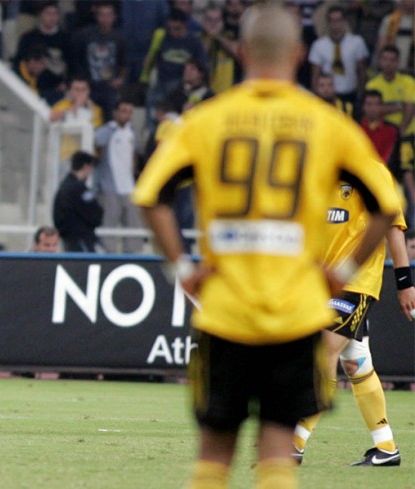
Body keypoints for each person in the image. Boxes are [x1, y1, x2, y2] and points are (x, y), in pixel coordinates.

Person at [131, 5, 399, 488]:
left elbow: (151, 196)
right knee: (277, 449)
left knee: (215, 451)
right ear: (299, 54)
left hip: (226, 309)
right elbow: (387, 204)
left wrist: (181, 266)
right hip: (296, 312)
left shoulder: (206, 119)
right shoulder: (328, 124)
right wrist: (343, 272)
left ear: (239, 52)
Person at [292, 163, 413, 467]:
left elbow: (393, 227)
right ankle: (386, 448)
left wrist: (405, 283)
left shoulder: (371, 171)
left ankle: (294, 444)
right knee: (355, 362)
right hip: (323, 284)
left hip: (357, 282)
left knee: (324, 351)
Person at [94, 100, 142, 254]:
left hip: (129, 186)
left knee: (133, 224)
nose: (126, 115)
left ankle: (134, 254)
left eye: (129, 111)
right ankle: (109, 254)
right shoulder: (108, 130)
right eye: (123, 111)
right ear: (115, 113)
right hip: (110, 185)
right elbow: (96, 142)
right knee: (109, 223)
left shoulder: (132, 132)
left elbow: (136, 153)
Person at [69, 1, 127, 116]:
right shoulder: (84, 36)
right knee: (87, 117)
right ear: (96, 16)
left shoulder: (120, 38)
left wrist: (120, 78)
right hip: (89, 88)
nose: (105, 19)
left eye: (108, 15)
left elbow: (124, 62)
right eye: (102, 14)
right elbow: (76, 61)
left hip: (109, 89)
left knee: (110, 119)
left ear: (114, 17)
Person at [309, 5, 369, 112]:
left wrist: (361, 94)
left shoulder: (357, 42)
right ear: (328, 23)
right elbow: (315, 75)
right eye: (332, 21)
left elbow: (362, 71)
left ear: (344, 21)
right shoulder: (319, 45)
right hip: (327, 97)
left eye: (338, 20)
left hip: (350, 94)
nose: (335, 25)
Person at [53, 151, 103, 253]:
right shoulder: (78, 189)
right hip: (81, 238)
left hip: (71, 238)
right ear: (86, 166)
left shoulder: (65, 186)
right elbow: (94, 214)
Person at [365, 45, 415, 137]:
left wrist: (401, 131)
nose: (388, 63)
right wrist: (401, 106)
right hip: (382, 135)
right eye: (385, 59)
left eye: (392, 60)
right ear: (380, 61)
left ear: (398, 62)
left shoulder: (409, 82)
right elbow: (372, 111)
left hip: (407, 135)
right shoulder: (372, 85)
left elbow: (411, 108)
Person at [13, 2, 71, 81]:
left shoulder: (66, 38)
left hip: (58, 86)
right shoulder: (28, 38)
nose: (52, 17)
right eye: (48, 13)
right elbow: (18, 63)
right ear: (40, 15)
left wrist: (66, 83)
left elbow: (72, 64)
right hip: (32, 83)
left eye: (55, 14)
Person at [360, 90, 400, 166]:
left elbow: (389, 159)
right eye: (369, 104)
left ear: (382, 107)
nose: (373, 108)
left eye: (377, 104)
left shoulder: (391, 130)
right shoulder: (355, 128)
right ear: (363, 107)